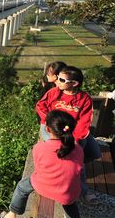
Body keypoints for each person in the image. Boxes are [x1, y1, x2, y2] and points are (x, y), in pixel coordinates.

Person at [0, 110, 99, 218]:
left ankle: (12, 215)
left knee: (22, 187)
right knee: (70, 204)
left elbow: (39, 169)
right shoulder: (77, 149)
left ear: (47, 129)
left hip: (43, 186)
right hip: (68, 193)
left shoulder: (39, 147)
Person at [36, 66, 102, 203]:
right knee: (75, 157)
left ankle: (71, 172)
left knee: (95, 153)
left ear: (74, 83)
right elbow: (40, 106)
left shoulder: (84, 99)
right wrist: (50, 121)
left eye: (61, 79)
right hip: (53, 130)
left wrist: (75, 140)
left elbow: (84, 121)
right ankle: (84, 189)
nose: (57, 81)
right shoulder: (53, 92)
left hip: (73, 133)